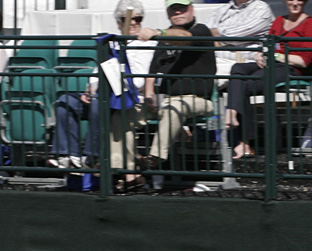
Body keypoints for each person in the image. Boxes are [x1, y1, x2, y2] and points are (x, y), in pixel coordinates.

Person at [48, 0, 156, 194]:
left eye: (137, 19)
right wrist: (90, 88)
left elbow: (140, 79)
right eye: (126, 19)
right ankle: (68, 155)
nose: (132, 23)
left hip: (130, 99)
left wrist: (103, 88)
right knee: (65, 101)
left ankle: (92, 158)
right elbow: (98, 71)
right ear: (118, 22)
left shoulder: (147, 44)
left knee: (99, 102)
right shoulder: (111, 42)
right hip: (106, 93)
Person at [224, 0, 312, 159]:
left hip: (290, 68)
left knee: (246, 85)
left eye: (299, 0)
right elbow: (267, 45)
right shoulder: (278, 21)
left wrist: (276, 55)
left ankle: (244, 141)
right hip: (271, 64)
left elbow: (304, 61)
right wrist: (260, 54)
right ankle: (232, 112)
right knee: (237, 69)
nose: (295, 3)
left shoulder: (310, 23)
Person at [139, 0, 218, 168]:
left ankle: (154, 159)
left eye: (181, 8)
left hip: (199, 100)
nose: (177, 13)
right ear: (168, 13)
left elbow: (185, 38)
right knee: (124, 112)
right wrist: (148, 95)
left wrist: (158, 32)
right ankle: (123, 164)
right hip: (165, 99)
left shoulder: (201, 30)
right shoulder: (164, 39)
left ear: (191, 9)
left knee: (173, 108)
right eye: (173, 9)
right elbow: (152, 72)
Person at [207, 0, 274, 79]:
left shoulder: (261, 8)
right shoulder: (222, 9)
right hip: (215, 59)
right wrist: (222, 38)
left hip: (242, 63)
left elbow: (233, 37)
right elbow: (204, 33)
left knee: (201, 80)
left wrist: (218, 36)